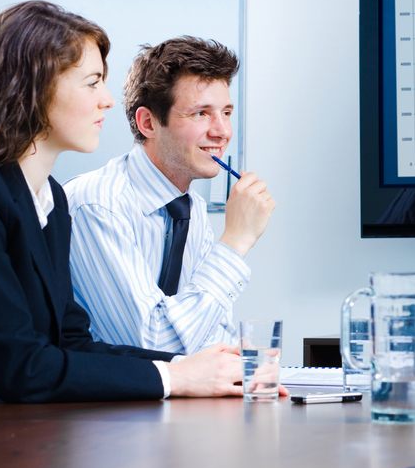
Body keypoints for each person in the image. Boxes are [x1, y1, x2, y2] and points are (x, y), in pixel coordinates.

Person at [0, 1, 248, 415]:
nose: (107, 101)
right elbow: (22, 366)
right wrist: (175, 377)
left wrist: (198, 370)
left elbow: (70, 343)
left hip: (19, 442)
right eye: (92, 83)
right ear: (33, 89)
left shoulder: (49, 198)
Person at [65, 37, 275, 354]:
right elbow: (154, 344)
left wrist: (236, 356)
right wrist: (235, 242)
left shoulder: (193, 210)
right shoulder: (98, 205)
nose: (222, 131)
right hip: (103, 402)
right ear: (148, 122)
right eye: (201, 114)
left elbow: (208, 334)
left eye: (226, 112)